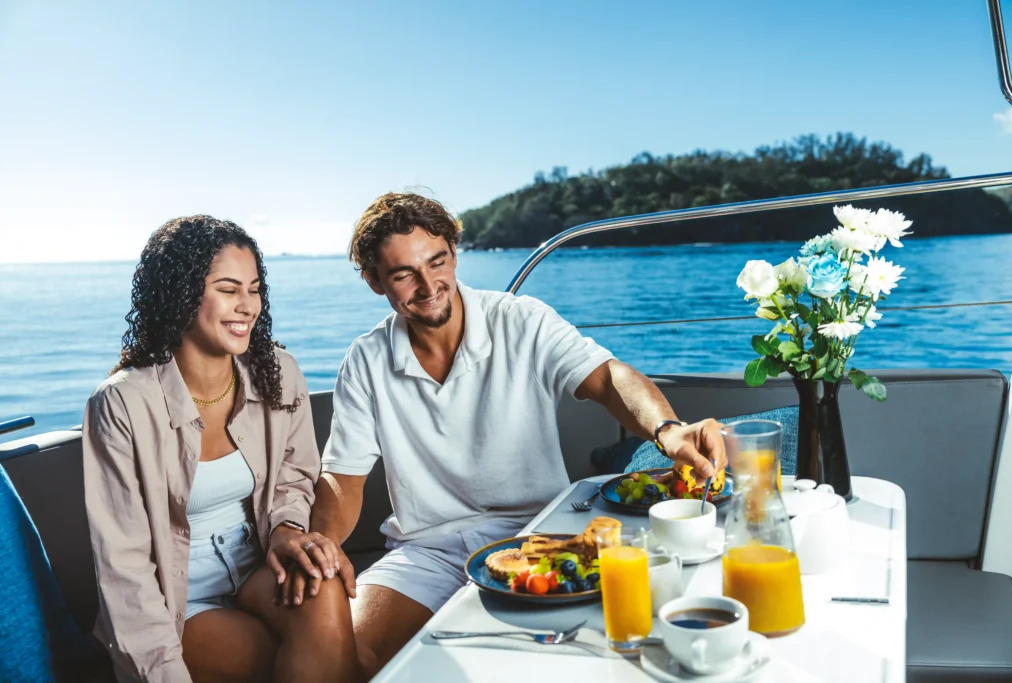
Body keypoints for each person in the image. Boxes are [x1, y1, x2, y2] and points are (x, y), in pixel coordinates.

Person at [289, 193, 726, 674]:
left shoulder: (522, 319)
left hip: (537, 535)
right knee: (348, 653)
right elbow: (343, 480)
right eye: (402, 274)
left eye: (437, 262)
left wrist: (668, 431)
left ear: (454, 252)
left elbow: (608, 379)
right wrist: (322, 543)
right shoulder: (365, 360)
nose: (429, 284)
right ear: (374, 281)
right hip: (424, 550)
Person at [82, 216, 364, 682]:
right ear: (180, 293)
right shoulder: (121, 405)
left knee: (324, 586)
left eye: (254, 289)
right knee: (306, 657)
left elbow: (294, 476)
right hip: (177, 596)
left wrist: (287, 528)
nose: (247, 305)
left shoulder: (279, 371)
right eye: (228, 289)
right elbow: (124, 570)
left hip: (256, 562)